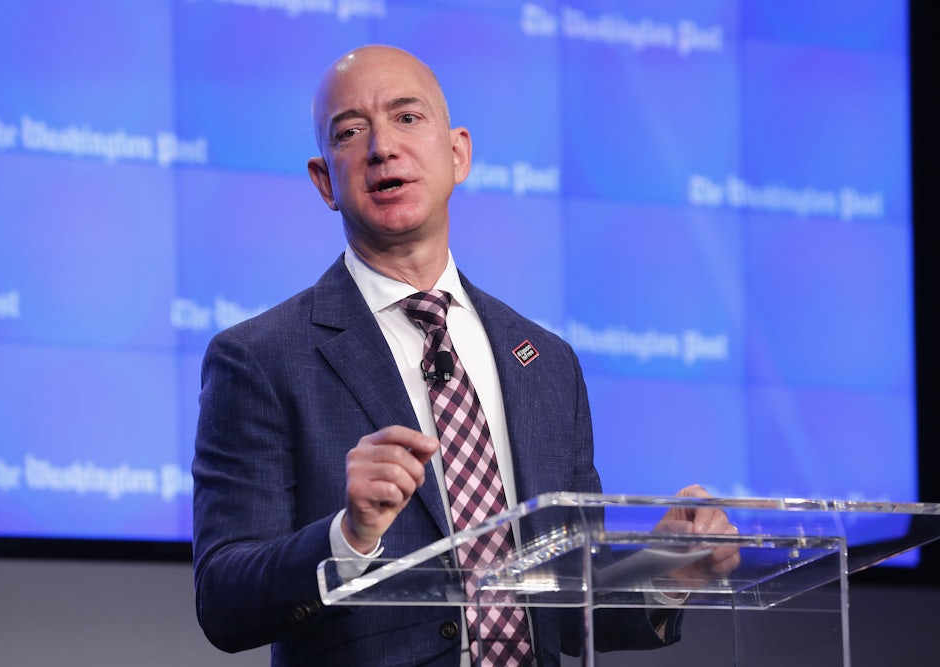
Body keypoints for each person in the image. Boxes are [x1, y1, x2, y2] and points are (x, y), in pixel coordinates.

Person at [192, 44, 739, 666]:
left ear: (458, 154)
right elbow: (223, 600)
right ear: (325, 182)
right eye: (351, 131)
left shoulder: (547, 363)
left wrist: (664, 573)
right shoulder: (261, 359)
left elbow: (569, 611)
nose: (382, 147)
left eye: (407, 117)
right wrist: (349, 536)